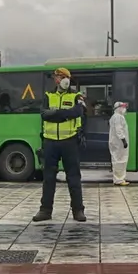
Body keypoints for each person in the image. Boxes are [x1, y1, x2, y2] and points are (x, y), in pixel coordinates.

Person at [34, 68, 86, 223]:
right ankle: (45, 211)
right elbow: (44, 114)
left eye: (61, 77)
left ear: (67, 79)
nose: (58, 80)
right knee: (48, 178)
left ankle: (78, 211)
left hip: (69, 141)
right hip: (50, 142)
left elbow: (78, 112)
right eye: (57, 77)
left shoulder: (76, 96)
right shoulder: (48, 96)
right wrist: (65, 114)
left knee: (74, 178)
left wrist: (56, 115)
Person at [108, 101, 130, 186]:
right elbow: (119, 130)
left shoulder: (115, 116)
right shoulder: (118, 117)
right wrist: (123, 140)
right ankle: (119, 180)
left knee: (118, 160)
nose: (124, 109)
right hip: (119, 143)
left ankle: (119, 179)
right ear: (119, 108)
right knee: (120, 160)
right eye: (123, 107)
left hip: (116, 142)